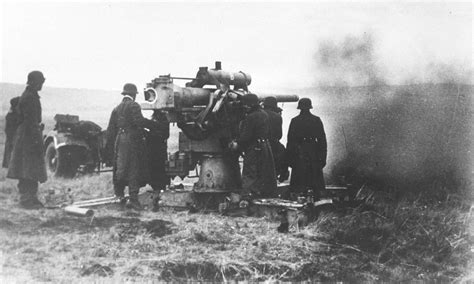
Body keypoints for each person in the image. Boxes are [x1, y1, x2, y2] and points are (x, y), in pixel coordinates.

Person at [105, 83, 152, 210]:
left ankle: (119, 195)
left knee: (119, 167)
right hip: (132, 140)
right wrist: (152, 125)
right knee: (133, 167)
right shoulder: (134, 105)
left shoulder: (117, 108)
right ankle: (133, 199)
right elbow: (140, 122)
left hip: (119, 140)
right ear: (133, 95)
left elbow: (111, 129)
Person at [7, 71, 47, 209]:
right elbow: (30, 121)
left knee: (30, 168)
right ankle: (26, 200)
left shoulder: (31, 95)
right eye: (41, 81)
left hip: (29, 135)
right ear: (34, 82)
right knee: (27, 168)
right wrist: (37, 136)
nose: (42, 84)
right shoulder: (30, 97)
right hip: (28, 137)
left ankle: (31, 198)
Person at [229, 93, 277, 198]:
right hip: (264, 145)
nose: (244, 107)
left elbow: (246, 136)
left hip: (253, 147)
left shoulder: (251, 117)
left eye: (245, 105)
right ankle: (261, 193)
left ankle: (247, 195)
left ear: (250, 105)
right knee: (262, 170)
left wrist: (237, 143)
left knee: (250, 171)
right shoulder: (264, 114)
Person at [286, 98, 327, 198]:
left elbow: (290, 141)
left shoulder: (295, 121)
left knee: (299, 181)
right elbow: (322, 141)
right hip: (313, 151)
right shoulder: (316, 120)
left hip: (299, 151)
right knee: (315, 180)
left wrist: (290, 159)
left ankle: (300, 198)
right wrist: (323, 157)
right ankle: (316, 200)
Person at [145, 110, 170, 210]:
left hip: (158, 148)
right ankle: (158, 192)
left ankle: (158, 194)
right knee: (156, 170)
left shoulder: (163, 118)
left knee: (158, 170)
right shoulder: (161, 118)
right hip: (156, 149)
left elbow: (163, 133)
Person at [262, 96, 289, 182]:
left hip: (260, 143)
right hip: (273, 143)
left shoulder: (259, 114)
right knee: (283, 155)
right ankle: (282, 174)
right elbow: (279, 135)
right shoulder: (277, 116)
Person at [3, 97, 20, 168]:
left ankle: (7, 165)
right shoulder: (13, 114)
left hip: (11, 134)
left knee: (8, 150)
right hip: (12, 134)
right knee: (11, 150)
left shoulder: (11, 113)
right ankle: (8, 166)